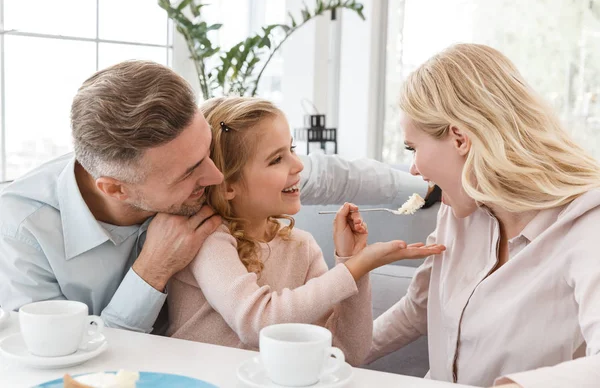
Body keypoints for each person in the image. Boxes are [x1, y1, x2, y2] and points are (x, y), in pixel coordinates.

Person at [0, 60, 438, 334]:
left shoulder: (206, 168)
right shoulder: (23, 233)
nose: (212, 175)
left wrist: (430, 186)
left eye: (207, 151)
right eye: (192, 170)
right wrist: (150, 273)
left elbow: (330, 173)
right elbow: (64, 368)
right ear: (117, 188)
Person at [365, 43, 600, 387]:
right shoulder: (459, 209)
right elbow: (417, 309)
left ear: (459, 139)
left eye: (413, 148)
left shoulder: (587, 227)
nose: (413, 168)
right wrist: (331, 354)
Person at [166, 97, 445, 364]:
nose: (298, 165)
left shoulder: (302, 246)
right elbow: (259, 323)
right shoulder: (208, 241)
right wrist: (352, 270)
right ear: (227, 185)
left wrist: (352, 263)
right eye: (276, 159)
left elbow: (347, 352)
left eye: (292, 150)